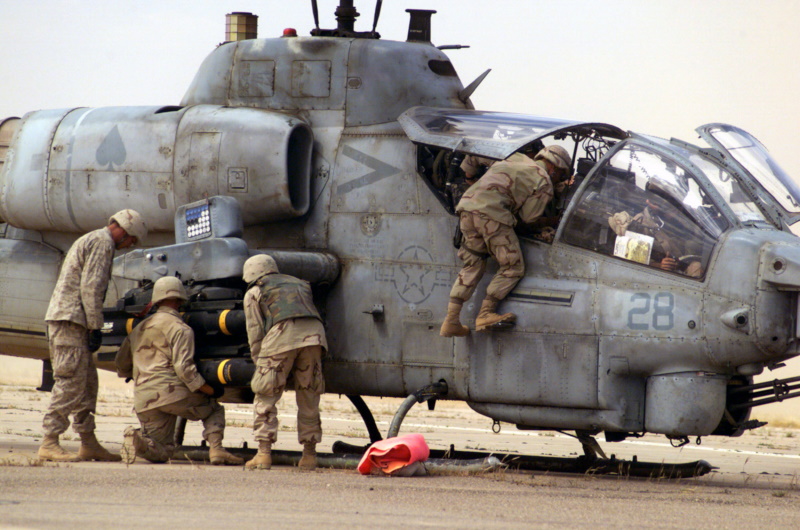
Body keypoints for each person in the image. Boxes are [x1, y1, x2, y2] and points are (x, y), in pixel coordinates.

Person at [38, 209, 147, 462]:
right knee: (70, 382)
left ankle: (88, 442)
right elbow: (92, 286)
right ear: (124, 229)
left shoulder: (94, 239)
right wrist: (96, 326)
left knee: (87, 383)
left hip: (74, 319)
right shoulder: (102, 242)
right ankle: (49, 440)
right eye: (132, 239)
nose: (130, 245)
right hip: (71, 321)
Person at [440, 145, 573, 337]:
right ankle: (485, 313)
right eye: (561, 176)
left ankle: (451, 321)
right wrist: (552, 221)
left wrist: (470, 179)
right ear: (555, 168)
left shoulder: (514, 157)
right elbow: (528, 219)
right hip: (492, 216)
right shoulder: (544, 181)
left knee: (473, 264)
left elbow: (475, 154)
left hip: (467, 208)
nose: (558, 180)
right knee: (512, 266)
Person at [115, 276, 243, 465]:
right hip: (173, 394)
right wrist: (207, 389)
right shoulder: (181, 328)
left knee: (162, 450)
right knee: (214, 409)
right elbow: (184, 369)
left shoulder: (138, 328)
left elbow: (121, 365)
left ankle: (136, 440)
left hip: (144, 399)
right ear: (179, 300)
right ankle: (216, 450)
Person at [242, 254, 326, 471]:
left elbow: (255, 332)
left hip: (281, 334)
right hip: (315, 336)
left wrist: (260, 364)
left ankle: (263, 453)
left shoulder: (255, 292)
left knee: (265, 395)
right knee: (309, 395)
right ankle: (309, 455)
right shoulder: (299, 284)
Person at [607, 179, 704, 278]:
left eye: (672, 203)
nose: (671, 209)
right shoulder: (639, 224)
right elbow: (631, 260)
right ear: (649, 203)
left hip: (685, 267)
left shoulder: (684, 218)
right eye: (664, 205)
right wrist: (660, 265)